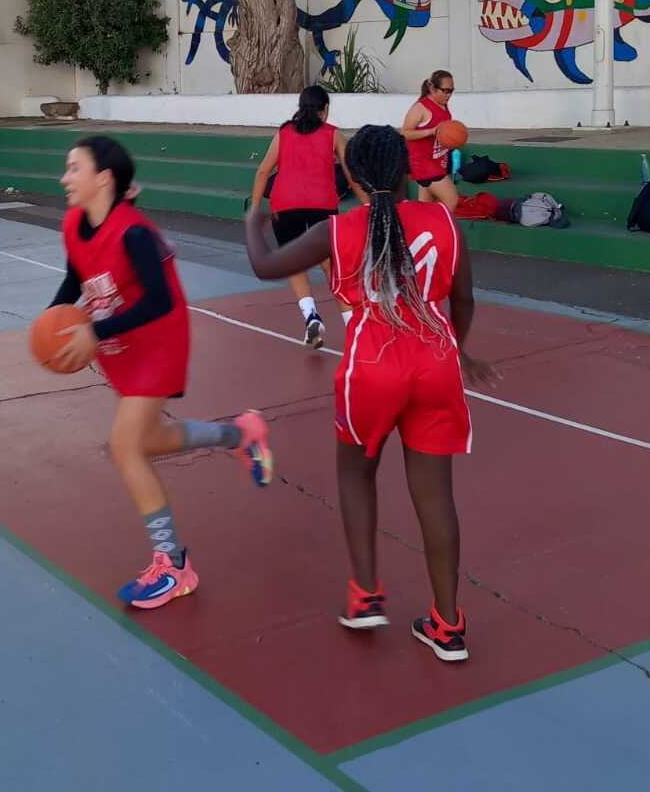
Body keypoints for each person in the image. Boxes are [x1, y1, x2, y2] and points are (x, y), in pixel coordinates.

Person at [244, 125, 497, 662]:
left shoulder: (340, 231)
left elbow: (265, 265)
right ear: (406, 170)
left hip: (373, 368)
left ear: (352, 178)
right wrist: (461, 349)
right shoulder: (444, 221)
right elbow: (466, 301)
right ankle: (448, 624)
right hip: (436, 365)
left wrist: (253, 220)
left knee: (356, 471)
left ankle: (365, 596)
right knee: (436, 497)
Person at [50, 135, 274, 610]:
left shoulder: (135, 233)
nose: (65, 178)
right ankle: (241, 435)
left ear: (104, 178)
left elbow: (160, 300)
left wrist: (96, 329)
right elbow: (75, 278)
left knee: (125, 446)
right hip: (120, 345)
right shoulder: (74, 224)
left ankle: (172, 564)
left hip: (158, 343)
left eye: (74, 168)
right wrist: (51, 322)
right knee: (149, 441)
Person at [250, 85, 366, 346]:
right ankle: (353, 324)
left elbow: (262, 172)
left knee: (296, 262)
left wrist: (255, 209)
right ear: (324, 110)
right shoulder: (333, 135)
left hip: (285, 204)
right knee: (330, 265)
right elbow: (352, 176)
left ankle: (311, 316)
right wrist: (369, 204)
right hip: (321, 204)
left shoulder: (284, 133)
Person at [401, 70, 459, 211]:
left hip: (438, 162)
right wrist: (431, 131)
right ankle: (441, 230)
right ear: (433, 89)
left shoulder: (443, 104)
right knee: (451, 201)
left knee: (425, 208)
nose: (449, 95)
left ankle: (420, 230)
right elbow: (405, 133)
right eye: (445, 91)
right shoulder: (420, 107)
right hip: (425, 165)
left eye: (451, 91)